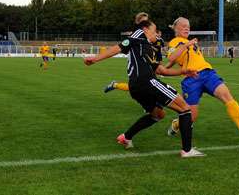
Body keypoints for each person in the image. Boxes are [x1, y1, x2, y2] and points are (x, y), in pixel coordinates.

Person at [84, 19, 205, 158]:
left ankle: (126, 137)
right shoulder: (139, 34)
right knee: (185, 108)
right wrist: (95, 59)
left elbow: (161, 70)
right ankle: (187, 150)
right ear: (145, 29)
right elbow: (119, 47)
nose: (156, 34)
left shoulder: (149, 48)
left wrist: (183, 72)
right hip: (146, 81)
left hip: (136, 87)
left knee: (158, 114)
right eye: (154, 31)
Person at [165, 17, 239, 143]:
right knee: (192, 116)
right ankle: (176, 124)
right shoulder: (174, 42)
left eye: (188, 26)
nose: (187, 28)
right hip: (191, 79)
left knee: (228, 97)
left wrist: (187, 46)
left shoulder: (191, 42)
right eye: (183, 25)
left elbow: (177, 61)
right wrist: (186, 46)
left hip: (208, 73)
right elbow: (172, 57)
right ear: (175, 28)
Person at [104, 12, 153, 93]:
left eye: (147, 21)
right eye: (143, 21)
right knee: (138, 88)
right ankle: (115, 85)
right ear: (138, 22)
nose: (145, 23)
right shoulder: (136, 34)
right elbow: (122, 48)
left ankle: (115, 85)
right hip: (136, 67)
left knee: (143, 88)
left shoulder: (149, 34)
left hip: (146, 66)